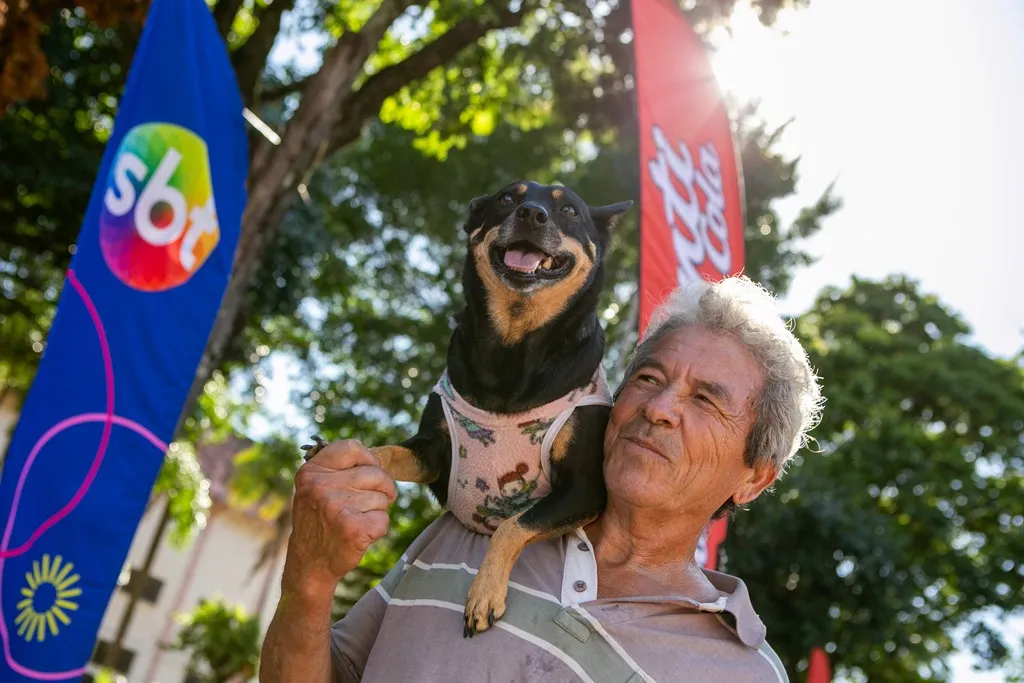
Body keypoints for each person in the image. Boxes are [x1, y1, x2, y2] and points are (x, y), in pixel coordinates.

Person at [259, 275, 824, 683]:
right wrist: (309, 577)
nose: (659, 409)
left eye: (705, 400)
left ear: (754, 478)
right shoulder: (476, 522)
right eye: (649, 378)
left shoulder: (741, 672)